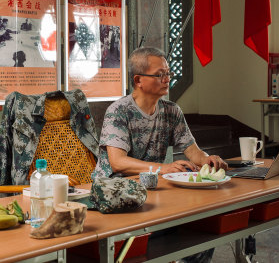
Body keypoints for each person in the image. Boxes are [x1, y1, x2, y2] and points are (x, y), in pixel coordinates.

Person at [92, 46, 226, 263]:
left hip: (153, 190)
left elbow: (192, 151)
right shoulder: (118, 111)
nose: (166, 79)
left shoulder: (172, 111)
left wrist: (208, 159)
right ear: (138, 80)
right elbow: (117, 163)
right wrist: (163, 168)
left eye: (168, 73)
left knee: (203, 230)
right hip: (115, 196)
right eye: (159, 75)